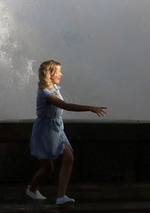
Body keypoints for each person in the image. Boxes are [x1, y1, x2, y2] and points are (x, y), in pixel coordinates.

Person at [27, 60, 106, 204]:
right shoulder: (46, 93)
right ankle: (31, 189)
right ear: (50, 74)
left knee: (69, 158)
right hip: (45, 130)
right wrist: (90, 108)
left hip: (57, 127)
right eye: (58, 72)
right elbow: (66, 106)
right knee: (48, 168)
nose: (61, 74)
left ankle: (61, 196)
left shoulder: (55, 88)